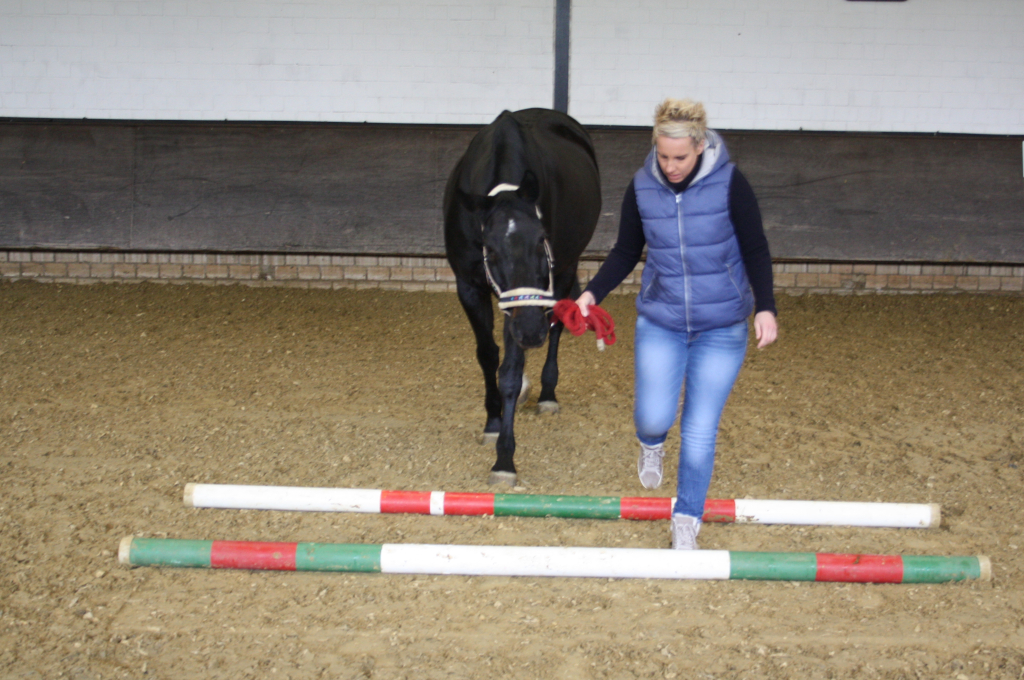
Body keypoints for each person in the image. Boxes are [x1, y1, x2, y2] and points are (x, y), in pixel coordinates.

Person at [575, 99, 778, 550]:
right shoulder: (642, 186)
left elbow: (756, 248)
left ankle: (686, 517)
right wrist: (591, 294)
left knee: (700, 430)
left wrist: (766, 307)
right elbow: (626, 251)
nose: (670, 166)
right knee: (653, 416)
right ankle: (651, 442)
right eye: (663, 156)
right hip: (662, 320)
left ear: (700, 146)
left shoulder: (731, 184)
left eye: (680, 157)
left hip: (722, 327)